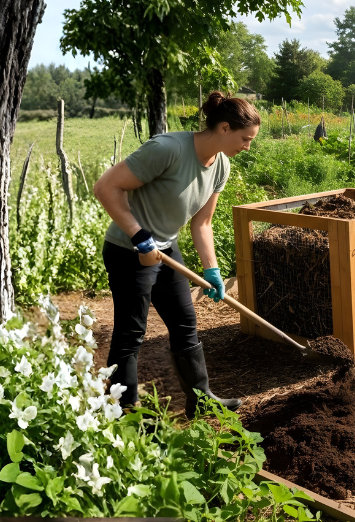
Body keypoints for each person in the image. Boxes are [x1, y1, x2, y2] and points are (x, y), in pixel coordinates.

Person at [93, 92, 261, 415]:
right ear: (224, 128)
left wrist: (212, 270)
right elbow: (106, 187)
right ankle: (123, 410)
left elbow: (202, 223)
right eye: (245, 139)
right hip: (128, 249)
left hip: (166, 247)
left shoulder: (221, 166)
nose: (247, 147)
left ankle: (200, 400)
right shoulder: (168, 149)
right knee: (131, 332)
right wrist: (139, 235)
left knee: (185, 322)